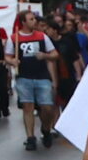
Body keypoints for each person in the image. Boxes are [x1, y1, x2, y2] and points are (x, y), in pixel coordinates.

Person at [13, 11, 60, 152]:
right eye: (31, 19)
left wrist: (45, 55)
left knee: (47, 107)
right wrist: (12, 61)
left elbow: (55, 54)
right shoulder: (14, 38)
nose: (34, 21)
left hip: (42, 76)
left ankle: (46, 129)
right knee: (28, 107)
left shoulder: (42, 37)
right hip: (24, 77)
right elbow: (8, 56)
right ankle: (30, 138)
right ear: (23, 22)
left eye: (34, 18)